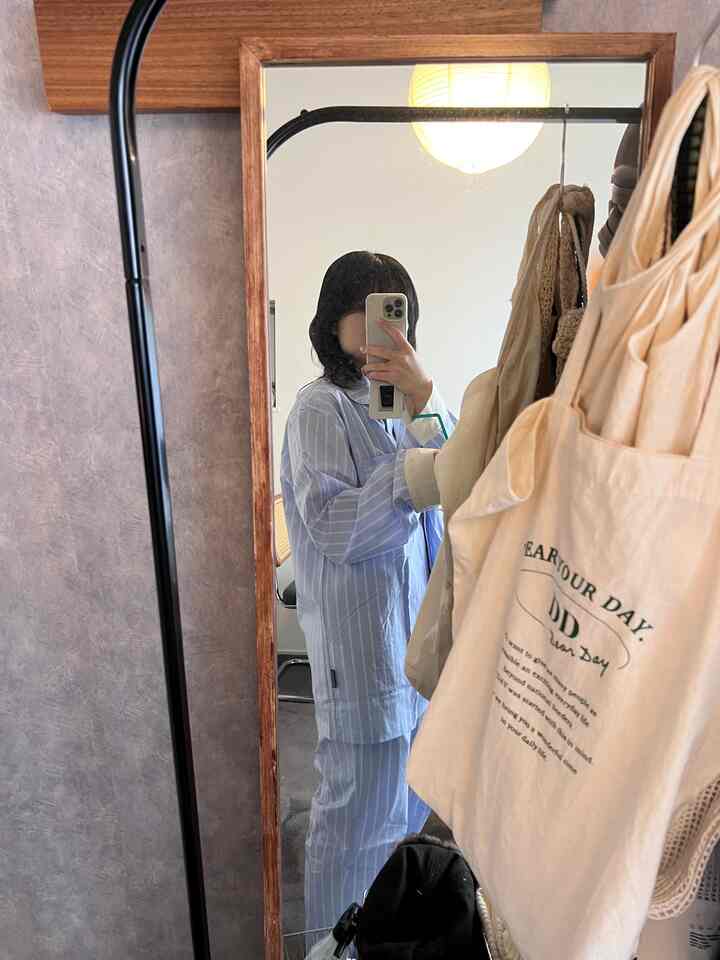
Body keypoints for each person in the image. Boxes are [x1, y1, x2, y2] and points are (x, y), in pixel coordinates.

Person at [280, 251, 454, 947]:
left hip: (409, 654)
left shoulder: (399, 405)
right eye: (375, 313)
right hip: (361, 653)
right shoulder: (318, 407)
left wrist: (424, 393)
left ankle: (383, 939)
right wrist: (415, 479)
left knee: (404, 820)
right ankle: (331, 944)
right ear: (336, 320)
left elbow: (455, 473)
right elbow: (337, 526)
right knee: (353, 823)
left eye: (400, 313)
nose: (389, 331)